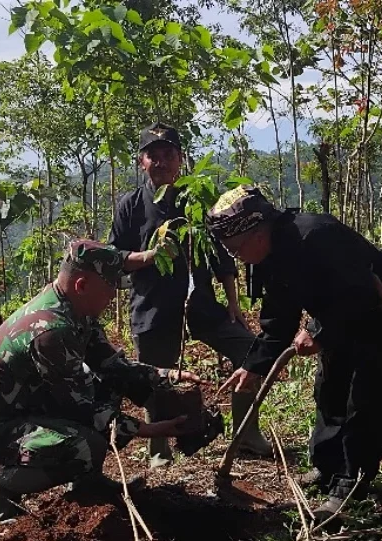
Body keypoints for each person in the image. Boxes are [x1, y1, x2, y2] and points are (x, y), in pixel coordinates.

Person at [208, 185, 382, 522]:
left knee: (366, 400)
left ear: (257, 232)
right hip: (337, 318)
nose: (236, 256)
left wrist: (318, 334)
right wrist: (253, 366)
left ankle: (350, 485)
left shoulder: (316, 236)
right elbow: (278, 318)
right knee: (330, 390)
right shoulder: (269, 256)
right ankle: (326, 468)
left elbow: (357, 294)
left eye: (236, 249)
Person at [0, 240, 200, 520]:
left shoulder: (76, 309)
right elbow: (82, 409)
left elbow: (112, 366)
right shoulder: (51, 332)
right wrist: (148, 430)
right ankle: (0, 486)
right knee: (86, 443)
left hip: (31, 404)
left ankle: (88, 483)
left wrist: (166, 376)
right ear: (82, 285)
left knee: (109, 388)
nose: (112, 298)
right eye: (109, 289)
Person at [109, 122, 271, 467]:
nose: (161, 162)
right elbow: (115, 259)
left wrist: (233, 301)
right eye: (154, 156)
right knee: (155, 376)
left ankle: (247, 435)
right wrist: (149, 257)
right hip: (152, 308)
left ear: (181, 159)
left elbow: (221, 253)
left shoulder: (198, 200)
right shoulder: (131, 206)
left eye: (169, 155)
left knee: (249, 351)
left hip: (201, 305)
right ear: (142, 162)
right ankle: (159, 449)